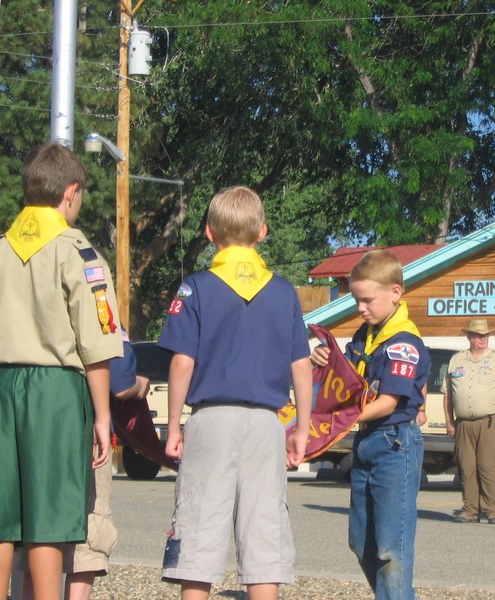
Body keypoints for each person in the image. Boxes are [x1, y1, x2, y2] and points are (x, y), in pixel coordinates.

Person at [0, 143, 123, 600]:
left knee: (0, 517)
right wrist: (101, 416)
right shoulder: (79, 253)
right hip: (56, 389)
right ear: (71, 193)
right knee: (48, 518)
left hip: (4, 386)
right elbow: (95, 344)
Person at [157, 186, 312, 600]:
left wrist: (173, 425)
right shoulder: (283, 291)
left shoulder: (196, 288)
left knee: (200, 531)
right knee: (263, 534)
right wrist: (302, 428)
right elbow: (301, 365)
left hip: (211, 417)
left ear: (209, 234)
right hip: (266, 422)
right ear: (263, 232)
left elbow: (182, 362)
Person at [311, 249, 429, 600]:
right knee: (360, 540)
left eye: (367, 300)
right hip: (366, 442)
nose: (360, 308)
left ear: (395, 293)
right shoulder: (366, 334)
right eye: (355, 300)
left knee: (391, 548)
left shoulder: (404, 342)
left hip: (395, 442)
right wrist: (325, 358)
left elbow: (388, 402)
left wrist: (341, 419)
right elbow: (345, 375)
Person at [17, 329, 149, 600]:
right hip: (82, 423)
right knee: (89, 527)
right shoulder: (94, 295)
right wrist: (140, 385)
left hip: (31, 420)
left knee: (35, 530)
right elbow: (120, 383)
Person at [443, 319, 495, 524]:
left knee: (489, 465)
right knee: (466, 467)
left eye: (485, 335)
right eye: (478, 335)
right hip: (464, 422)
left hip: (490, 420)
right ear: (469, 337)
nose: (482, 339)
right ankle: (470, 509)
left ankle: (492, 509)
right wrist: (449, 421)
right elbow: (448, 393)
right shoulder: (457, 360)